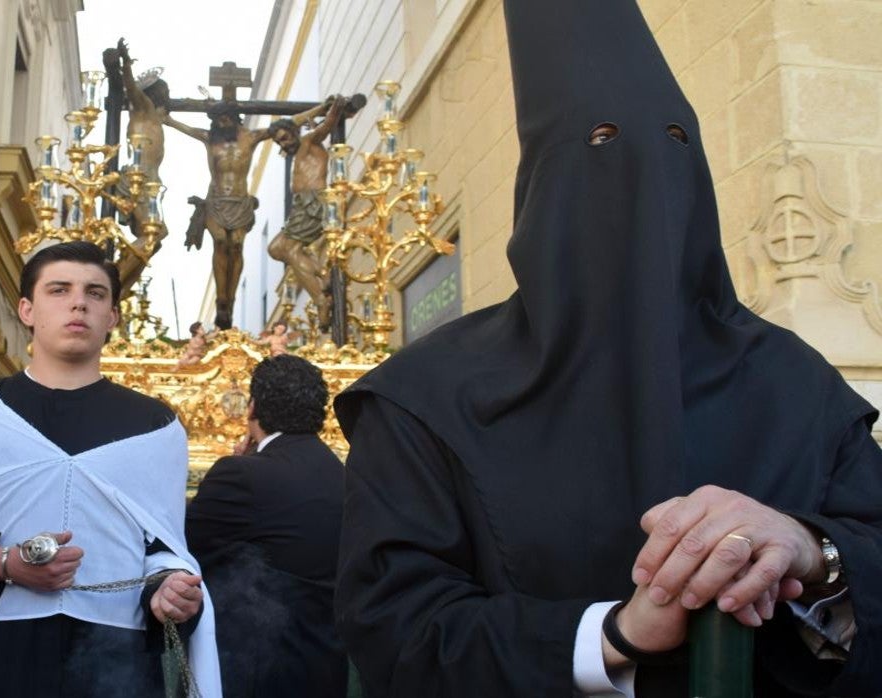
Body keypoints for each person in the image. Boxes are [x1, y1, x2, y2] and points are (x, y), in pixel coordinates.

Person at [332, 1, 882, 696]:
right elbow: (392, 625)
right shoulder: (426, 397)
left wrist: (814, 552)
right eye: (600, 142)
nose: (646, 175)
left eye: (678, 141)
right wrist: (612, 635)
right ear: (541, 190)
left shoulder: (793, 378)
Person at [0, 241, 221, 697]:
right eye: (59, 290)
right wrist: (4, 565)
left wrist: (169, 589)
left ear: (113, 318)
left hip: (115, 663)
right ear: (26, 309)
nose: (79, 302)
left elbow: (161, 550)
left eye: (96, 294)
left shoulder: (157, 427)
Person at [187, 354, 347, 697]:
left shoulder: (241, 474)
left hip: (257, 669)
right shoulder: (344, 475)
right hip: (328, 668)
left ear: (252, 407)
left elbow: (186, 553)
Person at [167, 100, 328, 329]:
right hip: (217, 201)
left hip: (240, 202)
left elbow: (291, 122)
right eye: (217, 121)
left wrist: (320, 110)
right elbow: (183, 128)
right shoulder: (209, 138)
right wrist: (167, 119)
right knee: (221, 242)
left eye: (224, 119)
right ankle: (221, 299)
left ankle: (230, 300)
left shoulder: (250, 138)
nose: (221, 124)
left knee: (236, 246)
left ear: (234, 118)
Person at [267, 96, 346, 326]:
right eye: (278, 143)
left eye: (284, 138)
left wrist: (331, 108)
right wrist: (321, 108)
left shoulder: (310, 140)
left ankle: (321, 299)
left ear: (294, 132)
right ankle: (322, 274)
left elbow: (327, 125)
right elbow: (298, 122)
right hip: (301, 205)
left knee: (289, 250)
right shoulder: (300, 146)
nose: (283, 145)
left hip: (313, 203)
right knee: (275, 248)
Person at [104, 39, 170, 297]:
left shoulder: (153, 116)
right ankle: (113, 284)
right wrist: (126, 65)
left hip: (149, 180)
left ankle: (120, 287)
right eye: (165, 91)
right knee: (154, 235)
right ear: (154, 94)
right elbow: (131, 89)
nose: (168, 95)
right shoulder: (142, 108)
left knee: (155, 239)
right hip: (138, 179)